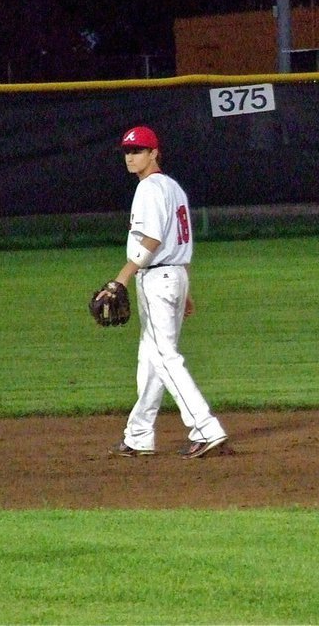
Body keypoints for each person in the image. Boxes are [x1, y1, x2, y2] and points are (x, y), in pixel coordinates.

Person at [106, 125, 228, 459]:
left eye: (138, 151)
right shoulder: (173, 188)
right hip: (176, 276)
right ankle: (138, 435)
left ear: (154, 152)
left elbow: (152, 241)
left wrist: (121, 279)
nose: (131, 157)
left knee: (164, 358)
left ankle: (206, 428)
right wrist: (185, 289)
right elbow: (183, 240)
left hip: (157, 279)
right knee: (151, 358)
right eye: (128, 152)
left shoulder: (148, 189)